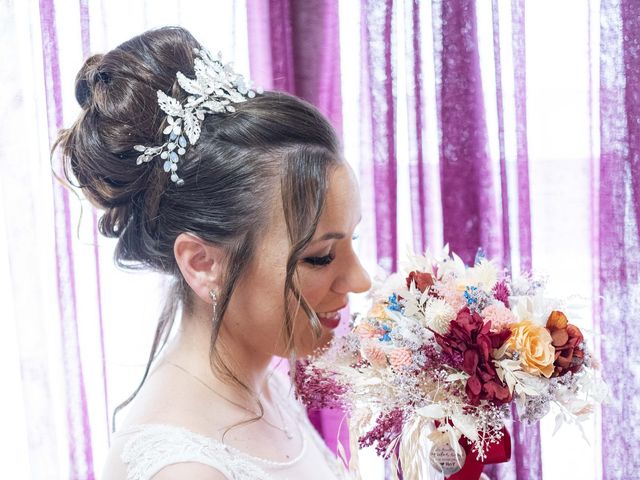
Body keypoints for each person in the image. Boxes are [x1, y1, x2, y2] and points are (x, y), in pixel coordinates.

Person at [54, 26, 371, 480]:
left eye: (351, 242)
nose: (359, 280)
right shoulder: (187, 469)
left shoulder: (258, 383)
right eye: (320, 257)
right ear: (203, 264)